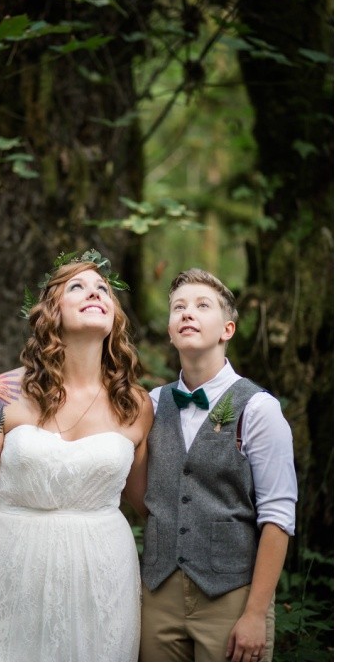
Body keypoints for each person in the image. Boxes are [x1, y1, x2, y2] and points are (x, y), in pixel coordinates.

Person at [0, 250, 153, 662]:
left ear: (115, 315)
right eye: (78, 286)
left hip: (103, 579)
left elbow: (151, 505)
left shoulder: (136, 405)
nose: (94, 293)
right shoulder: (2, 394)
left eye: (103, 289)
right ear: (50, 312)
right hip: (10, 572)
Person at [139, 268, 297, 662]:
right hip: (156, 596)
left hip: (231, 596)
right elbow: (140, 495)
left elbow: (278, 516)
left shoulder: (260, 410)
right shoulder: (150, 405)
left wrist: (256, 613)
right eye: (179, 308)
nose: (187, 313)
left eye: (201, 305)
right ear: (171, 331)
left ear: (227, 329)